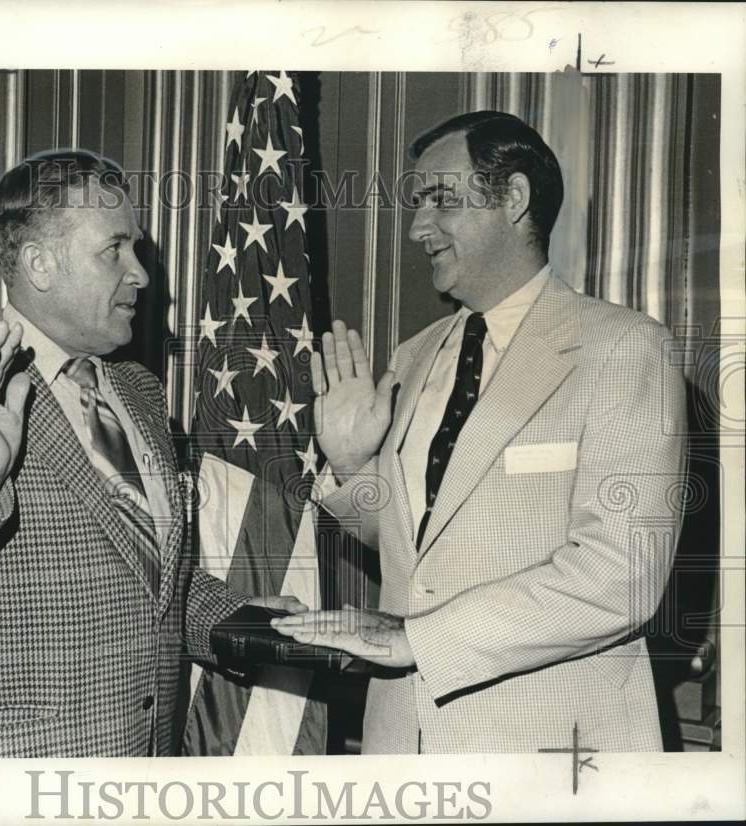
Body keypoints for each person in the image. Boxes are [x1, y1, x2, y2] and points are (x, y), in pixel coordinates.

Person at [0, 149, 299, 758]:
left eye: (137, 249)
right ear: (40, 264)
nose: (142, 275)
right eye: (115, 249)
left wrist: (238, 623)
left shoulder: (139, 392)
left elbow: (149, 582)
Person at [272, 111, 687, 753]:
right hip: (401, 746)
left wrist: (417, 639)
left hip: (554, 754)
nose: (416, 227)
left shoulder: (626, 349)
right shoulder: (414, 357)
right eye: (416, 205)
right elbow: (410, 543)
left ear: (514, 199)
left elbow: (621, 574)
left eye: (440, 199)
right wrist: (355, 468)